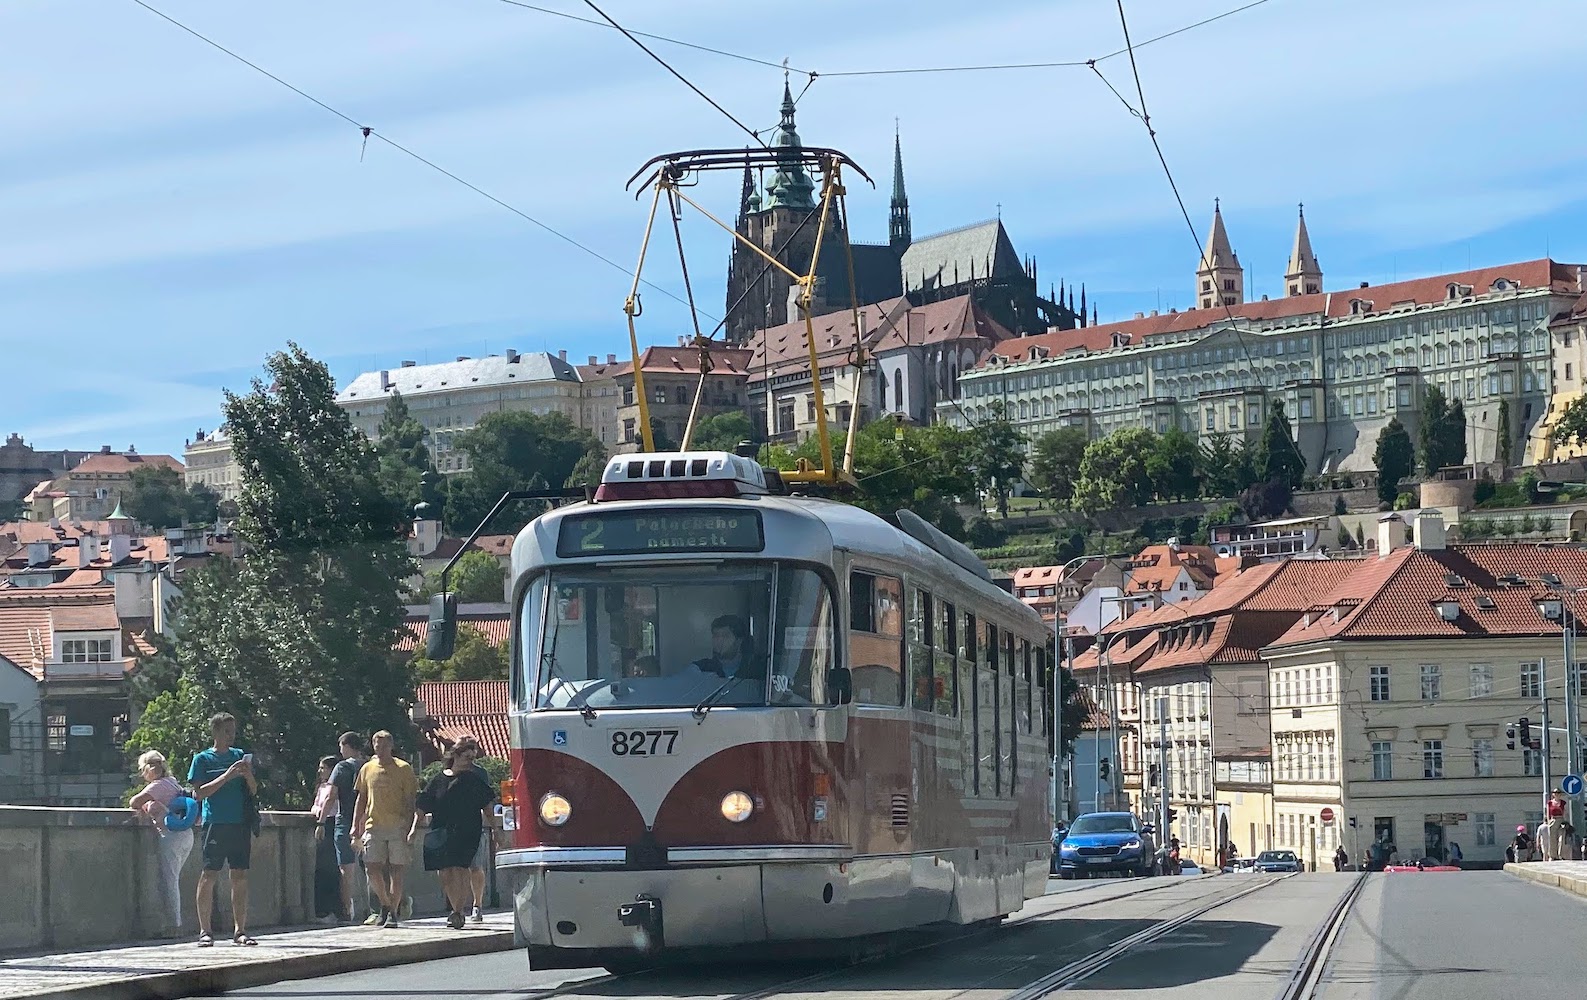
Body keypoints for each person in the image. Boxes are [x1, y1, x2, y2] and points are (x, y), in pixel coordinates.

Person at [188, 712, 257, 947]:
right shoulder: (202, 759)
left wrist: (248, 776)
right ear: (216, 732)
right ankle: (205, 931)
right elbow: (199, 793)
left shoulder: (239, 756)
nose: (231, 736)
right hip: (215, 823)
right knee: (209, 874)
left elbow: (254, 791)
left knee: (239, 875)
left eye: (233, 731)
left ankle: (240, 930)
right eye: (227, 731)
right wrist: (227, 776)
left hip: (239, 822)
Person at [417, 739, 496, 929]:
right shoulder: (438, 779)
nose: (470, 761)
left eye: (472, 757)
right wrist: (413, 829)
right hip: (441, 829)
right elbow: (423, 805)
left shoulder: (474, 779)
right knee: (444, 871)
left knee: (461, 868)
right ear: (455, 756)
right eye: (466, 757)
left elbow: (487, 807)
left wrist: (496, 830)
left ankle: (458, 911)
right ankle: (455, 906)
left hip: (467, 830)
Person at [350, 730, 420, 929]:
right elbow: (361, 798)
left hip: (397, 826)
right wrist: (356, 826)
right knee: (372, 867)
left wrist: (409, 826)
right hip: (374, 825)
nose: (380, 750)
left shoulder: (403, 768)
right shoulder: (367, 768)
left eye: (383, 746)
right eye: (376, 746)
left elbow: (410, 801)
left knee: (396, 871)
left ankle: (393, 912)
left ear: (391, 746)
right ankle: (386, 905)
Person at [129, 750, 194, 937]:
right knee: (172, 879)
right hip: (186, 834)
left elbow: (134, 802)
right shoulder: (172, 782)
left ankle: (175, 926)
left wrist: (144, 805)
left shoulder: (157, 786)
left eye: (143, 769)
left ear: (150, 769)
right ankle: (173, 923)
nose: (142, 774)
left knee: (169, 881)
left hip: (171, 836)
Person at [459, 736, 499, 923]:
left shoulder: (480, 773)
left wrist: (493, 827)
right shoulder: (450, 771)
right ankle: (457, 907)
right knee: (455, 869)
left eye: (472, 749)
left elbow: (487, 802)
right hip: (453, 826)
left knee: (475, 867)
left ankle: (477, 905)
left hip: (475, 825)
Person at [329, 732, 367, 922]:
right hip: (368, 821)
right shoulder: (368, 766)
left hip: (345, 820)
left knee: (346, 868)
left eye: (341, 745)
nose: (339, 750)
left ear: (348, 746)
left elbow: (331, 795)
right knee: (372, 867)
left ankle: (347, 909)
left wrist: (320, 821)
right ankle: (377, 907)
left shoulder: (341, 767)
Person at [311, 756, 341, 923]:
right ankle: (322, 910)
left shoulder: (335, 787)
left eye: (323, 768)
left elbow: (331, 804)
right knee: (321, 868)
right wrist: (317, 810)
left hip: (330, 823)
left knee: (331, 868)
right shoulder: (322, 787)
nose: (320, 771)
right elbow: (316, 804)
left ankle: (333, 910)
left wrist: (321, 820)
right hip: (322, 821)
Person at [693, 615, 764, 679]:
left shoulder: (757, 670)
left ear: (739, 641)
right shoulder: (701, 669)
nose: (719, 640)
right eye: (716, 635)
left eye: (725, 636)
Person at [1545, 790, 1568, 860]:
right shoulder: (1550, 803)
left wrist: (1566, 822)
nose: (1557, 794)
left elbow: (1565, 812)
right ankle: (1552, 855)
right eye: (1555, 793)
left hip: (1561, 820)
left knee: (1561, 838)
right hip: (1553, 820)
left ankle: (1561, 854)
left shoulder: (1563, 803)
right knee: (1552, 839)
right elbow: (1548, 813)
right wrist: (1549, 821)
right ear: (1553, 794)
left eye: (1558, 793)